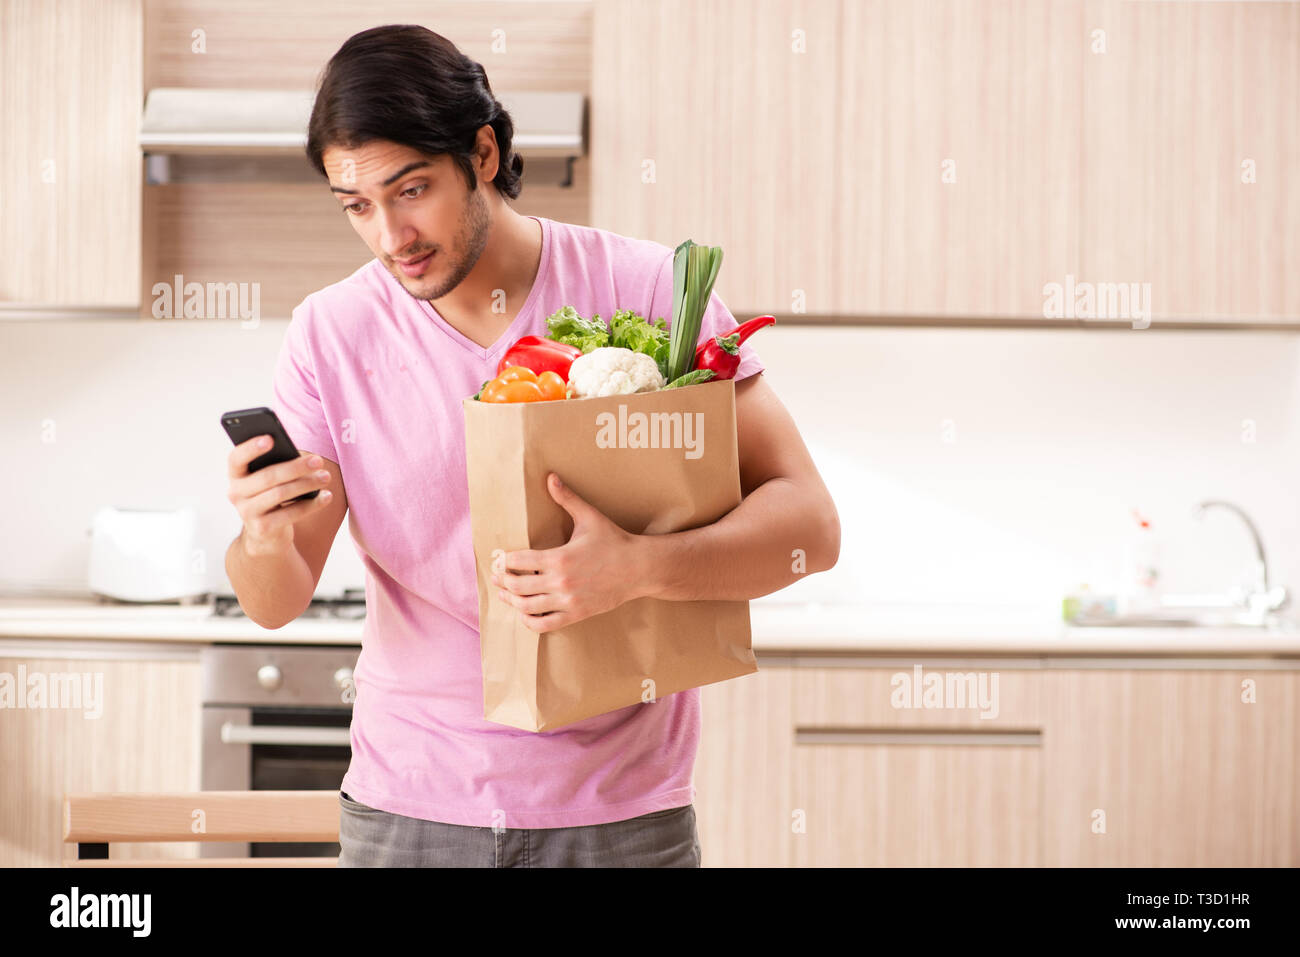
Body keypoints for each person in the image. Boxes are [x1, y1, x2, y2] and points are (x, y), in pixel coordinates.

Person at [223, 24, 840, 867]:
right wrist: (259, 534)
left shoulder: (646, 288)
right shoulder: (331, 333)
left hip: (619, 812)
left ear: (482, 152)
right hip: (409, 809)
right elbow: (275, 598)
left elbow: (811, 527)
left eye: (411, 190)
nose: (389, 235)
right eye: (357, 206)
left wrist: (638, 567)